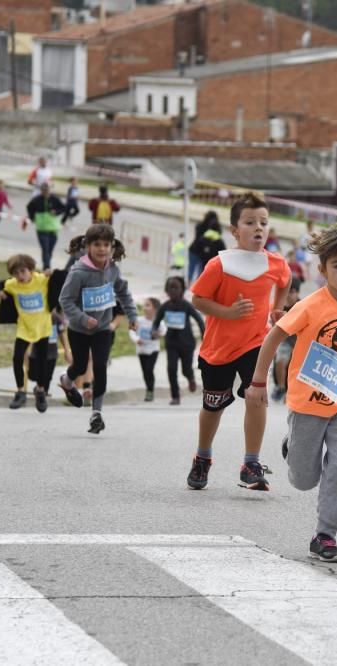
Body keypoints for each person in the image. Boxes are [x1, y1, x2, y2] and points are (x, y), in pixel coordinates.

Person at [245, 226, 337, 563]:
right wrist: (258, 381)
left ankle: (325, 535)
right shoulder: (311, 306)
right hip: (307, 405)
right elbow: (274, 337)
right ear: (323, 271)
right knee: (303, 480)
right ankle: (292, 445)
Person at [186, 191, 291, 491]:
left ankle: (251, 463)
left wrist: (277, 308)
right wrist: (228, 313)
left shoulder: (276, 263)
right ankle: (202, 458)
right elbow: (198, 299)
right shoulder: (219, 265)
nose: (258, 228)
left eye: (263, 222)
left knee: (257, 396)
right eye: (249, 222)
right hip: (218, 348)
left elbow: (286, 281)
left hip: (255, 344)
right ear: (234, 230)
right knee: (213, 405)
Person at [58, 224, 138, 434]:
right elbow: (65, 300)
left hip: (103, 328)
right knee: (80, 367)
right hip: (79, 329)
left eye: (106, 245)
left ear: (112, 247)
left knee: (101, 366)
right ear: (88, 246)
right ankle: (67, 381)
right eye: (97, 245)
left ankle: (97, 413)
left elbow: (123, 291)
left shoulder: (112, 269)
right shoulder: (78, 272)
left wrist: (132, 315)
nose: (102, 249)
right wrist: (83, 318)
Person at [0, 254, 54, 411]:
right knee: (17, 358)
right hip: (25, 328)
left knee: (42, 361)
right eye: (16, 273)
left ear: (31, 270)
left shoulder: (41, 279)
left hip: (42, 327)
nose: (20, 276)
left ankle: (40, 391)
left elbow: (60, 279)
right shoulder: (12, 284)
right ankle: (20, 392)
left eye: (23, 271)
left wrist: (52, 273)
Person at [152, 276, 205, 406]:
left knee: (185, 369)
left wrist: (205, 335)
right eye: (171, 288)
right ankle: (175, 396)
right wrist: (154, 331)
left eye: (176, 288)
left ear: (182, 290)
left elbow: (198, 319)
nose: (173, 290)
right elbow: (156, 321)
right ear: (166, 290)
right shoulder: (165, 306)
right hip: (171, 343)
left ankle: (191, 378)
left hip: (187, 343)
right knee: (171, 369)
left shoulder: (186, 305)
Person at [29, 310, 71, 408]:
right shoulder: (38, 316)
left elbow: (62, 335)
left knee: (47, 377)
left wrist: (67, 350)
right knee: (33, 375)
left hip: (51, 353)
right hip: (36, 352)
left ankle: (42, 398)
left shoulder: (56, 318)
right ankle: (39, 388)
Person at [270, 277, 301, 402]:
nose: (289, 295)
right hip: (285, 340)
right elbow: (274, 327)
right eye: (288, 292)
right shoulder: (279, 306)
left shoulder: (301, 306)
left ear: (297, 293)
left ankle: (295, 390)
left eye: (293, 292)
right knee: (280, 361)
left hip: (300, 340)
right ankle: (281, 387)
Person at [131, 298, 167, 402]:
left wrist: (158, 334)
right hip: (141, 350)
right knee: (145, 372)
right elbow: (131, 331)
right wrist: (136, 339)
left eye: (148, 305)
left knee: (149, 369)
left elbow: (164, 331)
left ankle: (150, 391)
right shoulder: (139, 320)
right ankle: (148, 388)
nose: (145, 307)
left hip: (153, 350)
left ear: (155, 309)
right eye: (144, 305)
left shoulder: (158, 321)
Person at [26, 182, 66, 270]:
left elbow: (63, 208)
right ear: (41, 191)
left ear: (50, 190)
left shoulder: (54, 199)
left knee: (50, 250)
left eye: (47, 190)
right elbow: (29, 207)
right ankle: (46, 267)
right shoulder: (36, 199)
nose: (46, 192)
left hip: (53, 230)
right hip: (41, 230)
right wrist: (32, 217)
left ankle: (46, 264)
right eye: (44, 190)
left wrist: (56, 212)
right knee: (45, 249)